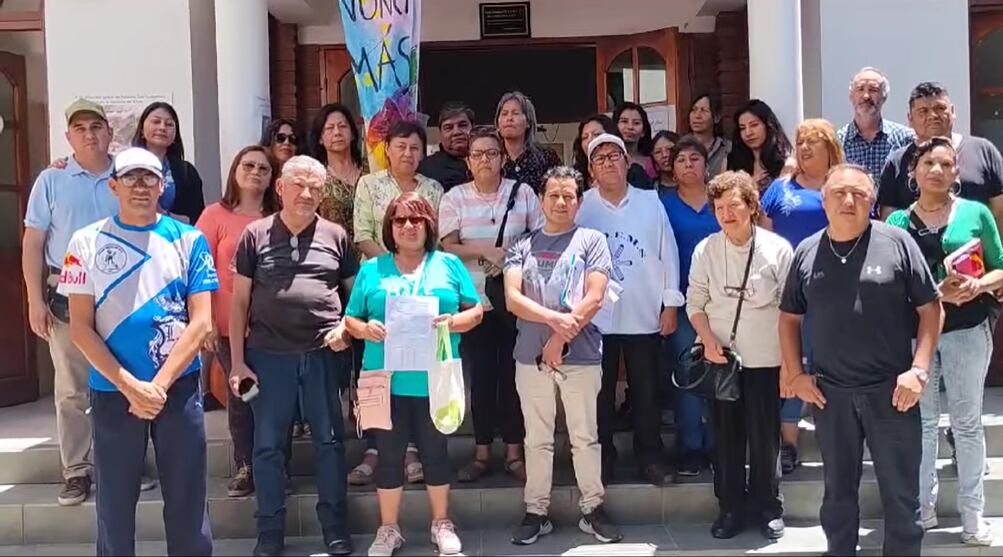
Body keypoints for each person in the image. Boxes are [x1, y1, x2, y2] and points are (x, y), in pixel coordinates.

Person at [59, 147, 217, 556]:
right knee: (114, 503)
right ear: (113, 186)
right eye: (131, 178)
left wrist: (158, 386)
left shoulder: (189, 239)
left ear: (163, 186)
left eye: (150, 178)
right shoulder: (84, 242)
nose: (141, 186)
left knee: (186, 499)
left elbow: (201, 322)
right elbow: (79, 326)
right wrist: (129, 385)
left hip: (177, 388)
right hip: (113, 392)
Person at [781, 164, 942, 556]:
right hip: (830, 395)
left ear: (872, 200)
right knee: (837, 500)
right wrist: (796, 373)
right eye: (839, 192)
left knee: (902, 501)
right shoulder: (806, 251)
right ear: (824, 200)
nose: (848, 200)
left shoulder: (898, 242)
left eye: (858, 193)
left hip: (892, 394)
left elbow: (932, 310)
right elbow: (788, 318)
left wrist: (918, 370)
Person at [229, 156, 357, 557]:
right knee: (266, 447)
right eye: (299, 185)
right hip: (267, 357)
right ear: (280, 188)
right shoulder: (254, 234)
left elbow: (357, 298)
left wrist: (346, 327)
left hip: (323, 356)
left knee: (330, 443)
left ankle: (335, 528)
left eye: (315, 187)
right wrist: (237, 361)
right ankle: (269, 532)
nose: (306, 194)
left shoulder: (337, 236)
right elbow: (238, 305)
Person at [344, 192, 483, 557]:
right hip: (385, 379)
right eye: (400, 220)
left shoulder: (449, 264)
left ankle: (441, 522)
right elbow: (350, 318)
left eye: (416, 219)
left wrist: (453, 322)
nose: (408, 226)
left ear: (428, 225)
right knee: (388, 456)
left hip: (434, 378)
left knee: (435, 452)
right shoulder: (372, 269)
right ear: (390, 227)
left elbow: (477, 312)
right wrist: (364, 329)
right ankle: (388, 529)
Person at [885, 137, 1003, 546]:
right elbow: (890, 283)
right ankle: (924, 508)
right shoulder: (897, 223)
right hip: (919, 337)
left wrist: (976, 284)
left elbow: (1000, 268)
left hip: (968, 329)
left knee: (967, 423)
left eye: (945, 164)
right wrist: (937, 292)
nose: (936, 170)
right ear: (913, 172)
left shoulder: (976, 213)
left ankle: (974, 516)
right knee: (922, 423)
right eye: (928, 163)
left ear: (956, 172)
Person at [503, 166, 623, 545]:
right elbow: (513, 299)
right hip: (530, 356)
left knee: (585, 436)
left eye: (568, 195)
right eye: (553, 195)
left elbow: (595, 295)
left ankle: (593, 507)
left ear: (579, 201)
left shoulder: (591, 240)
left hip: (582, 355)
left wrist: (558, 337)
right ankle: (536, 510)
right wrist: (556, 324)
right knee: (536, 438)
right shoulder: (521, 245)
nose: (560, 202)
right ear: (542, 200)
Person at [22, 99, 119, 507]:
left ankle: (121, 463)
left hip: (120, 293)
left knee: (119, 382)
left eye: (96, 126)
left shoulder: (127, 173)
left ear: (109, 132)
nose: (89, 134)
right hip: (65, 293)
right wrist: (33, 300)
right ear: (68, 137)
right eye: (79, 128)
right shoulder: (52, 180)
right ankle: (77, 470)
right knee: (72, 388)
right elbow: (33, 241)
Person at [687, 171, 792, 540]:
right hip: (721, 361)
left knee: (765, 439)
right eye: (719, 208)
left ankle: (768, 507)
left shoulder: (778, 249)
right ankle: (730, 508)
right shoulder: (706, 250)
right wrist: (706, 339)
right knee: (726, 439)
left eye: (734, 205)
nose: (727, 214)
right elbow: (695, 303)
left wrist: (790, 365)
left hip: (766, 359)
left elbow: (790, 311)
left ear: (750, 206)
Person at [576, 133, 683, 486]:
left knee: (646, 391)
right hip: (596, 319)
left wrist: (670, 303)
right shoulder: (582, 205)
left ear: (627, 162)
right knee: (600, 392)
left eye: (614, 156)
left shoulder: (651, 202)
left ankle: (650, 456)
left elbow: (668, 252)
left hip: (645, 313)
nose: (608, 163)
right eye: (600, 158)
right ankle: (603, 455)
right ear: (591, 170)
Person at [439, 126, 542, 482]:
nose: (485, 159)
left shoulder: (523, 193)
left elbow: (540, 237)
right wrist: (487, 252)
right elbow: (447, 245)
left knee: (514, 376)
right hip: (473, 301)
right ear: (468, 161)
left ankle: (515, 452)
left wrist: (511, 257)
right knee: (481, 378)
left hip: (516, 299)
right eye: (478, 154)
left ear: (502, 159)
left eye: (492, 153)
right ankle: (481, 452)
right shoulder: (454, 198)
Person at [195, 146, 280, 498]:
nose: (256, 172)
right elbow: (197, 271)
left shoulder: (280, 216)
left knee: (273, 399)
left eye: (264, 167)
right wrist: (204, 323)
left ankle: (275, 466)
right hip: (229, 325)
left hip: (274, 326)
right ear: (235, 170)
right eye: (248, 165)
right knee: (242, 398)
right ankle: (246, 465)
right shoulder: (215, 215)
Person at [760, 119, 842, 475]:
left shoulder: (842, 186)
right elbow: (762, 235)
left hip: (834, 288)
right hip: (787, 289)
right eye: (801, 142)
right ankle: (788, 442)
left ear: (830, 148)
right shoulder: (780, 189)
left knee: (827, 365)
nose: (805, 148)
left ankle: (838, 440)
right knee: (790, 362)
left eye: (813, 142)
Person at [659, 136, 719, 477]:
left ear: (705, 163)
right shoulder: (663, 203)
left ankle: (718, 443)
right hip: (680, 302)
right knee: (687, 373)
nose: (687, 165)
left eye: (694, 159)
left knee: (719, 373)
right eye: (680, 160)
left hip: (721, 302)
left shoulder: (720, 199)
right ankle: (691, 446)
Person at [877, 82, 1003, 234]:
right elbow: (888, 226)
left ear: (952, 111)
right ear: (910, 119)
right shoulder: (897, 162)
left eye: (940, 108)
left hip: (975, 254)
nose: (932, 116)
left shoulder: (983, 150)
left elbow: (1000, 213)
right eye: (923, 111)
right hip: (915, 255)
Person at [355, 120, 444, 258]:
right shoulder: (368, 184)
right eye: (401, 147)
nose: (408, 153)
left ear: (422, 154)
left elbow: (437, 239)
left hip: (422, 272)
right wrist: (392, 268)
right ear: (387, 149)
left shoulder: (434, 189)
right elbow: (363, 236)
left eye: (414, 148)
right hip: (380, 271)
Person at [836, 67, 914, 182]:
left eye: (873, 90)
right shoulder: (838, 141)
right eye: (860, 89)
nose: (866, 96)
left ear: (884, 96)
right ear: (851, 96)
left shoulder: (904, 138)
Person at [132, 101, 206, 224]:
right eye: (156, 122)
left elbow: (198, 219)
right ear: (141, 130)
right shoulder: (125, 167)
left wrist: (163, 215)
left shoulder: (186, 172)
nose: (162, 127)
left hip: (174, 238)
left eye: (169, 124)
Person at [496, 91, 562, 193]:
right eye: (504, 114)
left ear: (528, 122)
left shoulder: (546, 157)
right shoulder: (491, 157)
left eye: (515, 113)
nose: (509, 118)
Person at [727, 99, 793, 191]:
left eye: (754, 125)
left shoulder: (786, 163)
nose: (748, 133)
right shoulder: (731, 163)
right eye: (742, 128)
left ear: (768, 125)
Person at [573, 114, 652, 189]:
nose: (590, 140)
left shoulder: (635, 173)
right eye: (584, 137)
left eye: (597, 134)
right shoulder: (575, 176)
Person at [418, 102, 474, 191]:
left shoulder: (490, 160)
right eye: (448, 128)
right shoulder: (426, 169)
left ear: (473, 129)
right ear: (440, 134)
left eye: (462, 125)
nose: (456, 132)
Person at [687, 93, 732, 179]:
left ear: (717, 117)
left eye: (704, 110)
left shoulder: (728, 149)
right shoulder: (681, 148)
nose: (697, 116)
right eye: (694, 110)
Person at [613, 102, 657, 179]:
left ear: (644, 131)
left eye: (636, 123)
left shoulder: (652, 162)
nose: (630, 127)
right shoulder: (607, 159)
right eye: (624, 121)